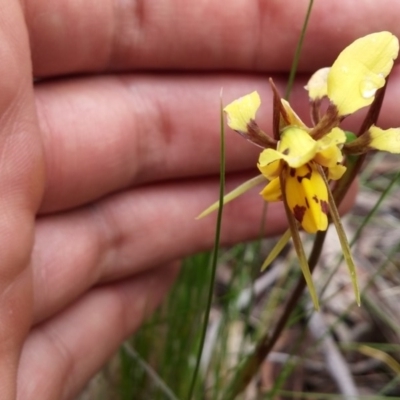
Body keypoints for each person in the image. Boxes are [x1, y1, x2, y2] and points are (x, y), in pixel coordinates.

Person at [3, 0, 395, 398]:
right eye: (293, 164)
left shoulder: (328, 114)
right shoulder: (289, 138)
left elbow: (372, 71)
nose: (299, 166)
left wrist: (335, 148)